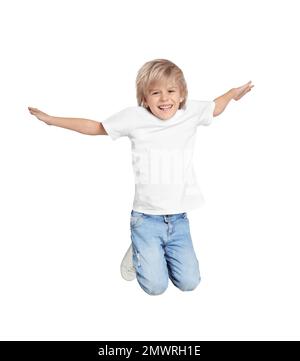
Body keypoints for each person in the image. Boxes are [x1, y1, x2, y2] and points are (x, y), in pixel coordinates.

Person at [28, 58, 254, 295]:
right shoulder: (134, 118)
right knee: (155, 288)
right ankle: (142, 247)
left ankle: (153, 253)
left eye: (170, 91)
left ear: (181, 95)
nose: (164, 99)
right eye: (155, 93)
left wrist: (232, 94)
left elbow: (215, 107)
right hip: (145, 219)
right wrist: (52, 120)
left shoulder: (191, 112)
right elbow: (95, 127)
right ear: (145, 99)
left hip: (178, 219)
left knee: (189, 283)